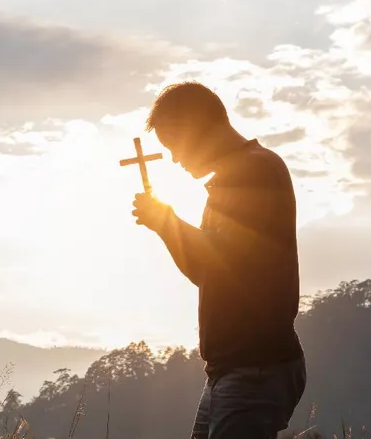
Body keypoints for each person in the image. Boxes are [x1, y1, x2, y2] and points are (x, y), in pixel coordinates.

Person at [131, 81, 306, 439]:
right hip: (231, 369)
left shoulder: (255, 172)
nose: (175, 159)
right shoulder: (231, 180)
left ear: (197, 127)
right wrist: (164, 226)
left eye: (175, 145)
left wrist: (167, 221)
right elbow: (205, 271)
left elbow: (228, 258)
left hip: (255, 368)